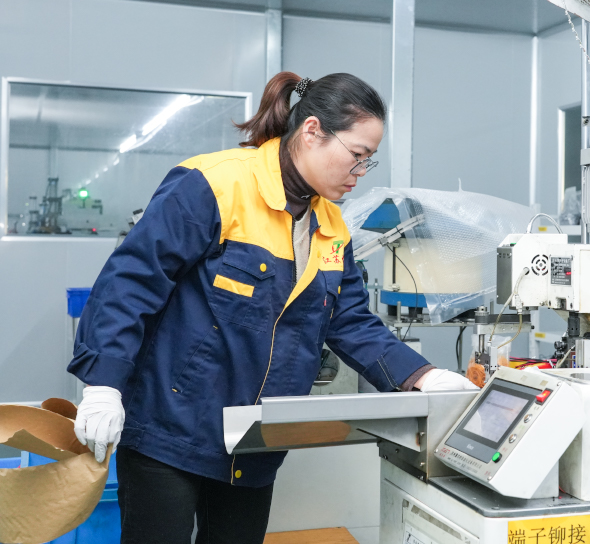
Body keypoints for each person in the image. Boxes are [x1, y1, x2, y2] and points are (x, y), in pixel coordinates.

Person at [67, 71, 476, 544]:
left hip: (253, 441)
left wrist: (422, 376)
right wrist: (104, 384)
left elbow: (349, 319)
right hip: (169, 430)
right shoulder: (214, 186)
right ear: (312, 131)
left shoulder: (331, 226)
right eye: (357, 155)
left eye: (369, 160)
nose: (361, 172)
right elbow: (130, 283)